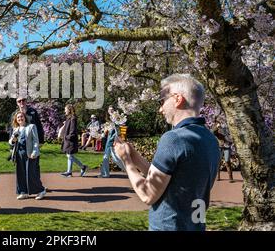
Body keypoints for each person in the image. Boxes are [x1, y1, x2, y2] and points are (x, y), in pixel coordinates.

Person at [114, 74, 220, 231]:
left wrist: (126, 161)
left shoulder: (173, 139)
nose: (160, 108)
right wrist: (135, 157)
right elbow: (171, 179)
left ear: (178, 99)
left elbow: (147, 194)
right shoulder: (210, 139)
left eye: (162, 100)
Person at [8, 111, 46, 200]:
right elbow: (11, 142)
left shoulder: (31, 127)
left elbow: (35, 141)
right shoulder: (16, 129)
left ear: (25, 117)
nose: (20, 118)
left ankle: (41, 190)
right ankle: (23, 192)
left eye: (21, 116)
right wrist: (13, 140)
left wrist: (35, 152)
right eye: (18, 117)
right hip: (19, 154)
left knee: (31, 173)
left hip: (29, 154)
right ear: (16, 120)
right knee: (20, 174)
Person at [60, 104, 88, 177]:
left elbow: (72, 130)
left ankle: (73, 170)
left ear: (69, 110)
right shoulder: (68, 118)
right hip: (68, 139)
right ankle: (80, 167)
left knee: (69, 155)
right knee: (69, 155)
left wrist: (67, 137)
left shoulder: (73, 118)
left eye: (65, 109)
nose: (64, 111)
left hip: (71, 140)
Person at [98, 106, 126, 178]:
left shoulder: (116, 120)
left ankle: (129, 170)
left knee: (115, 158)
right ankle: (105, 173)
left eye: (112, 109)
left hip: (112, 141)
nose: (110, 111)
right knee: (106, 157)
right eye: (109, 110)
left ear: (114, 110)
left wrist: (115, 140)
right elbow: (107, 129)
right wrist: (103, 134)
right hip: (109, 140)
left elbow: (117, 131)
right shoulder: (110, 120)